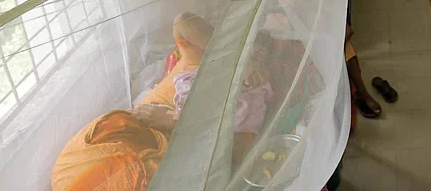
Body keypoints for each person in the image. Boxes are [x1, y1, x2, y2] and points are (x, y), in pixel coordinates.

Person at [51, 13, 273, 191]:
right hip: (112, 139)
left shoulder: (253, 98)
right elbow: (183, 22)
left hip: (150, 149)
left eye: (261, 55)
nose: (257, 59)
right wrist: (240, 59)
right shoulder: (196, 59)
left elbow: (233, 152)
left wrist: (174, 122)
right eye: (251, 47)